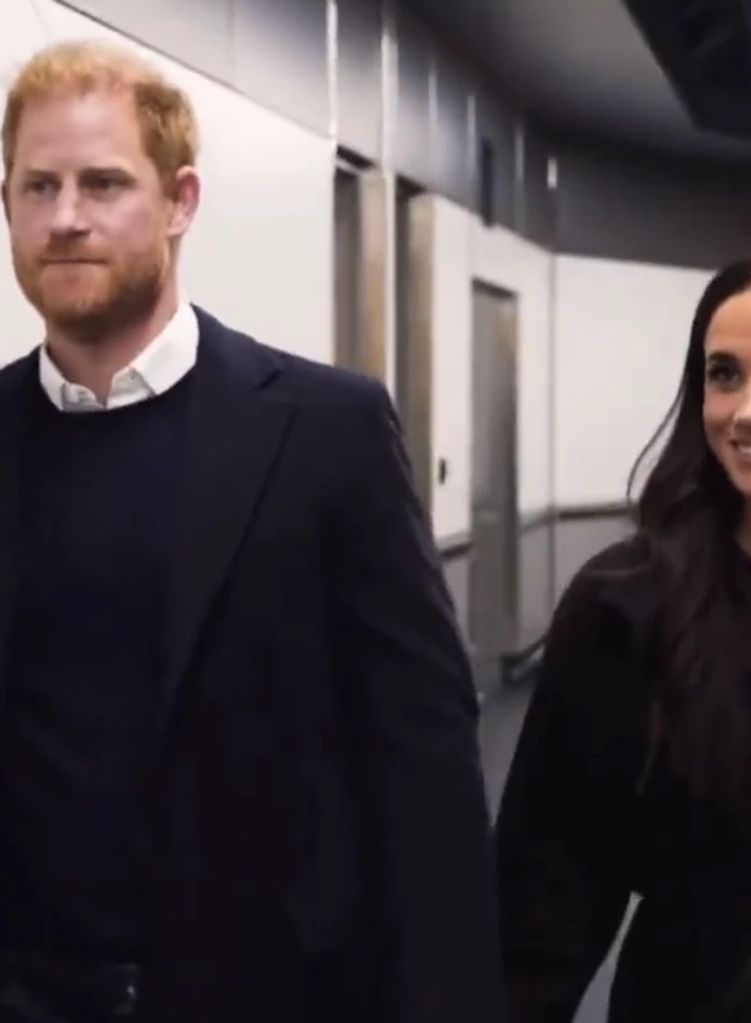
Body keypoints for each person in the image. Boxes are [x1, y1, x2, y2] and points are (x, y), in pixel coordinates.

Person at [0, 39, 504, 1023]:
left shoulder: (326, 432)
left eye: (104, 183)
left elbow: (423, 765)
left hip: (267, 989)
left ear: (180, 201)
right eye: (37, 186)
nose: (66, 218)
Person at [496, 243, 751, 1022]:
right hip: (694, 997)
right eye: (724, 374)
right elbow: (548, 881)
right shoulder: (629, 601)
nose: (749, 409)